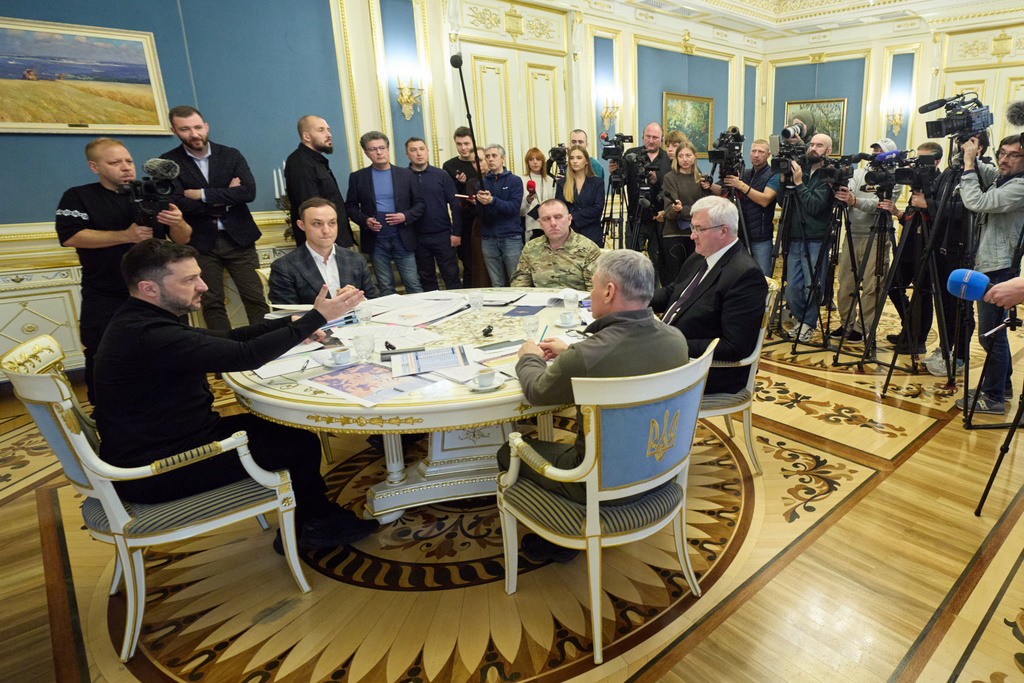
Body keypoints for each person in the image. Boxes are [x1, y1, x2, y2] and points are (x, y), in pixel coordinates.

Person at [93, 238, 377, 552]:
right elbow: (246, 355)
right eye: (189, 280)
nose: (203, 286)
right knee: (299, 444)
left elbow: (230, 337)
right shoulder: (151, 334)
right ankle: (316, 525)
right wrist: (317, 318)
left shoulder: (140, 320)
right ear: (149, 288)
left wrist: (293, 323)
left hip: (163, 441)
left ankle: (306, 519)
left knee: (288, 432)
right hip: (159, 469)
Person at [496, 249, 689, 562]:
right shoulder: (676, 339)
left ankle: (564, 536)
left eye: (593, 285)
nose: (590, 293)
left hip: (599, 482)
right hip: (661, 466)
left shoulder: (588, 356)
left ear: (609, 291)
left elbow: (537, 391)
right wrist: (572, 351)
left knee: (507, 452)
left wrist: (529, 357)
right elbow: (624, 356)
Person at [56, 137, 192, 404]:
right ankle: (105, 409)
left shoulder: (152, 191)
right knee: (102, 351)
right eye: (115, 162)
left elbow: (183, 238)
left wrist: (178, 222)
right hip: (106, 292)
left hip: (158, 292)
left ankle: (178, 402)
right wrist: (125, 235)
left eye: (128, 161)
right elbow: (70, 236)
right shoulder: (79, 196)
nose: (126, 167)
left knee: (173, 347)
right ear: (95, 167)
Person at [161, 105, 268, 330]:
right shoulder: (168, 163)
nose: (194, 134)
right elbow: (177, 203)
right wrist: (227, 198)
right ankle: (224, 350)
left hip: (240, 240)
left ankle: (265, 344)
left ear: (206, 127)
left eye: (198, 127)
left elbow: (248, 192)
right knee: (212, 303)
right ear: (174, 131)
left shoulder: (231, 155)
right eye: (185, 129)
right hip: (199, 244)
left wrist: (201, 195)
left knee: (256, 298)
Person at [651, 196, 767, 394]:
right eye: (692, 227)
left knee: (621, 369)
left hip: (705, 370)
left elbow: (734, 347)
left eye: (699, 229)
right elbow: (674, 292)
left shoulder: (745, 275)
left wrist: (672, 345)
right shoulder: (701, 255)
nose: (692, 236)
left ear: (723, 231)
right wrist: (631, 301)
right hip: (674, 352)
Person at [955, 134, 1024, 414]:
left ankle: (993, 397)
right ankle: (1001, 387)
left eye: (1013, 155)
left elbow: (976, 201)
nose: (1004, 159)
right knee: (994, 333)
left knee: (990, 335)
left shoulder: (1019, 187)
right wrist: (967, 146)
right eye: (1002, 153)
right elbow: (973, 166)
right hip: (991, 264)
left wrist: (970, 163)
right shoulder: (1004, 178)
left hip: (1000, 268)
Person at [830, 138, 903, 345]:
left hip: (878, 235)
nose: (875, 154)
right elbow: (848, 195)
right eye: (874, 150)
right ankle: (846, 324)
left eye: (880, 151)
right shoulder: (859, 173)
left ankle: (863, 328)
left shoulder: (895, 178)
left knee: (873, 286)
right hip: (853, 233)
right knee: (846, 283)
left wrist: (855, 201)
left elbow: (881, 204)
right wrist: (845, 196)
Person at [878, 142, 945, 356]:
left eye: (924, 161)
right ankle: (909, 328)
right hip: (908, 246)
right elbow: (911, 218)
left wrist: (927, 203)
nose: (918, 166)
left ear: (936, 161)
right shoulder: (916, 182)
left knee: (922, 294)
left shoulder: (941, 184)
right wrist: (898, 213)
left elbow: (941, 219)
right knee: (892, 287)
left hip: (927, 247)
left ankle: (918, 340)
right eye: (917, 160)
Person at [345, 131, 426, 295]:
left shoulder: (406, 174)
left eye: (382, 148)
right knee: (386, 286)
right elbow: (350, 207)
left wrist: (405, 216)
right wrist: (365, 220)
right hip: (376, 240)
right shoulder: (358, 177)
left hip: (402, 237)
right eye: (373, 149)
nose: (379, 152)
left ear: (388, 149)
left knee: (413, 283)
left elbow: (420, 204)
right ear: (366, 153)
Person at [268, 197, 378, 304]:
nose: (326, 230)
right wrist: (322, 311)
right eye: (317, 224)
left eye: (331, 223)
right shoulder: (284, 267)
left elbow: (373, 300)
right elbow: (285, 314)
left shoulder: (356, 259)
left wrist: (359, 299)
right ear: (302, 225)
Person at [785, 133, 834, 343]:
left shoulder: (828, 175)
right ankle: (800, 318)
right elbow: (782, 201)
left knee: (811, 285)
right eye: (812, 144)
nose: (813, 148)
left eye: (819, 145)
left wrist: (798, 183)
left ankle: (808, 323)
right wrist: (784, 179)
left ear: (828, 151)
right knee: (792, 287)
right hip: (794, 236)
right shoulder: (801, 169)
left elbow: (814, 206)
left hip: (816, 238)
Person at [706, 139, 779, 275]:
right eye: (753, 151)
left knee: (762, 276)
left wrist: (741, 185)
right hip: (741, 235)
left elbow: (765, 200)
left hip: (761, 237)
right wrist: (709, 185)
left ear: (768, 155)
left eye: (761, 152)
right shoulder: (744, 173)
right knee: (741, 274)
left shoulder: (774, 174)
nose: (756, 155)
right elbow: (723, 191)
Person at [284, 115, 353, 248]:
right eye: (321, 130)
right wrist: (328, 243)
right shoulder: (300, 163)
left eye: (328, 129)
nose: (329, 134)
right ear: (307, 136)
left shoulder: (317, 161)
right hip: (323, 244)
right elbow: (310, 206)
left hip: (333, 240)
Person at [609, 123, 672, 267]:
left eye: (655, 137)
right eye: (648, 137)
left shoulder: (668, 159)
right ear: (643, 136)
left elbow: (671, 188)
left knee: (659, 264)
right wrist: (614, 174)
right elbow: (619, 185)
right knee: (631, 263)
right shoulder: (631, 155)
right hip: (635, 217)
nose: (651, 140)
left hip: (660, 219)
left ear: (661, 139)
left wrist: (656, 181)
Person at [406, 137, 462, 291]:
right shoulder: (403, 176)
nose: (419, 153)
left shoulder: (441, 174)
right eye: (413, 150)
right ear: (407, 154)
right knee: (426, 279)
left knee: (452, 276)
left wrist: (456, 232)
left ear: (428, 151)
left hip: (443, 235)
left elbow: (455, 204)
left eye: (422, 149)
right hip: (417, 237)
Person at [510, 199, 600, 290]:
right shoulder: (531, 248)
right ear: (540, 224)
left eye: (558, 217)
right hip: (540, 298)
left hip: (575, 299)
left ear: (569, 220)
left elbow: (596, 291)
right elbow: (519, 287)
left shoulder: (589, 249)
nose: (553, 223)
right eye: (546, 219)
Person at [659, 140, 709, 284]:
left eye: (688, 155)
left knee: (695, 278)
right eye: (681, 156)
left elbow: (704, 209)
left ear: (695, 156)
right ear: (676, 158)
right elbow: (670, 211)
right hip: (674, 234)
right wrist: (681, 210)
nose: (685, 159)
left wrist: (683, 210)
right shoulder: (670, 177)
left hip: (697, 234)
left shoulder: (701, 179)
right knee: (674, 279)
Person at [476, 143, 525, 286]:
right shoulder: (481, 184)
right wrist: (479, 202)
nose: (490, 159)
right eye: (487, 156)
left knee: (517, 280)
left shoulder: (515, 181)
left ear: (503, 158)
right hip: (488, 237)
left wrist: (492, 201)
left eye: (494, 156)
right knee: (496, 283)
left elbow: (513, 208)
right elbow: (481, 215)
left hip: (510, 237)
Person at [443, 126, 478, 287]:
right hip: (462, 220)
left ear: (473, 142)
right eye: (459, 144)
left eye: (466, 143)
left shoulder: (480, 162)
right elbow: (449, 195)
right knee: (468, 263)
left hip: (481, 217)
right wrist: (460, 184)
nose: (463, 148)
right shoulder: (449, 165)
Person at [555, 145, 605, 246]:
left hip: (592, 235)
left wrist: (573, 216)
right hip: (569, 236)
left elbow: (597, 209)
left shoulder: (597, 182)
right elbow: (560, 209)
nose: (575, 161)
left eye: (579, 158)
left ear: (586, 161)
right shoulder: (562, 183)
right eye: (571, 158)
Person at [520, 147, 557, 241]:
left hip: (549, 227)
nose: (535, 162)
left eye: (538, 159)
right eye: (531, 159)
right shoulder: (521, 180)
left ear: (542, 162)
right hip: (531, 228)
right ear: (527, 163)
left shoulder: (550, 181)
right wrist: (527, 201)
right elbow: (521, 212)